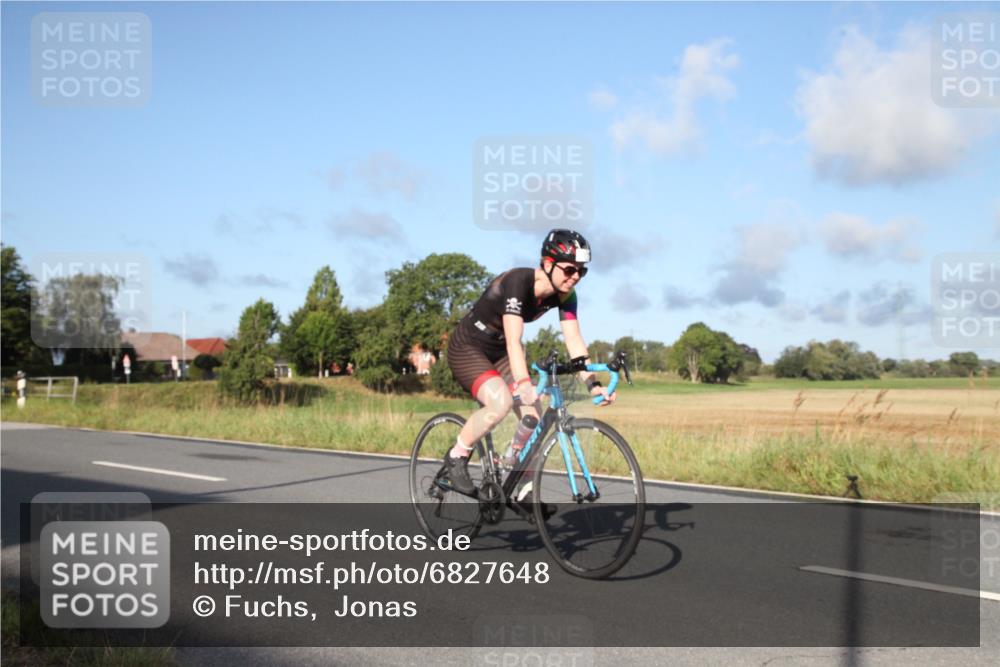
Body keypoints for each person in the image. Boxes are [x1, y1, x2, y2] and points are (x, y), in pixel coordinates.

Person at [442, 229, 615, 505]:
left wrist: (593, 383)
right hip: (469, 348)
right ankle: (456, 456)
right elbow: (514, 340)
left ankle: (522, 488)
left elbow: (574, 341)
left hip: (498, 353)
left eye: (582, 272)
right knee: (499, 403)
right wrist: (523, 383)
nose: (575, 277)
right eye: (570, 269)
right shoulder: (517, 282)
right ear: (548, 263)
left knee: (532, 416)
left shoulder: (566, 296)